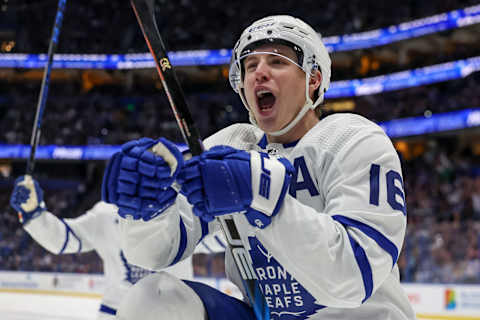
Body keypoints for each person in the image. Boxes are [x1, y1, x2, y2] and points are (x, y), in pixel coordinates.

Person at [102, 15, 416, 320]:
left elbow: (353, 277)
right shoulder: (233, 145)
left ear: (314, 78)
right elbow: (154, 254)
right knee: (153, 300)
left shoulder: (352, 138)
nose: (259, 73)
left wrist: (261, 194)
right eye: (250, 66)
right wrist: (147, 209)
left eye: (277, 61)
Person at [9, 175, 225, 319]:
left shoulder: (178, 210)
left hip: (176, 313)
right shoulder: (105, 215)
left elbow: (218, 238)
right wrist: (33, 214)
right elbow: (65, 238)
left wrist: (236, 213)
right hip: (119, 313)